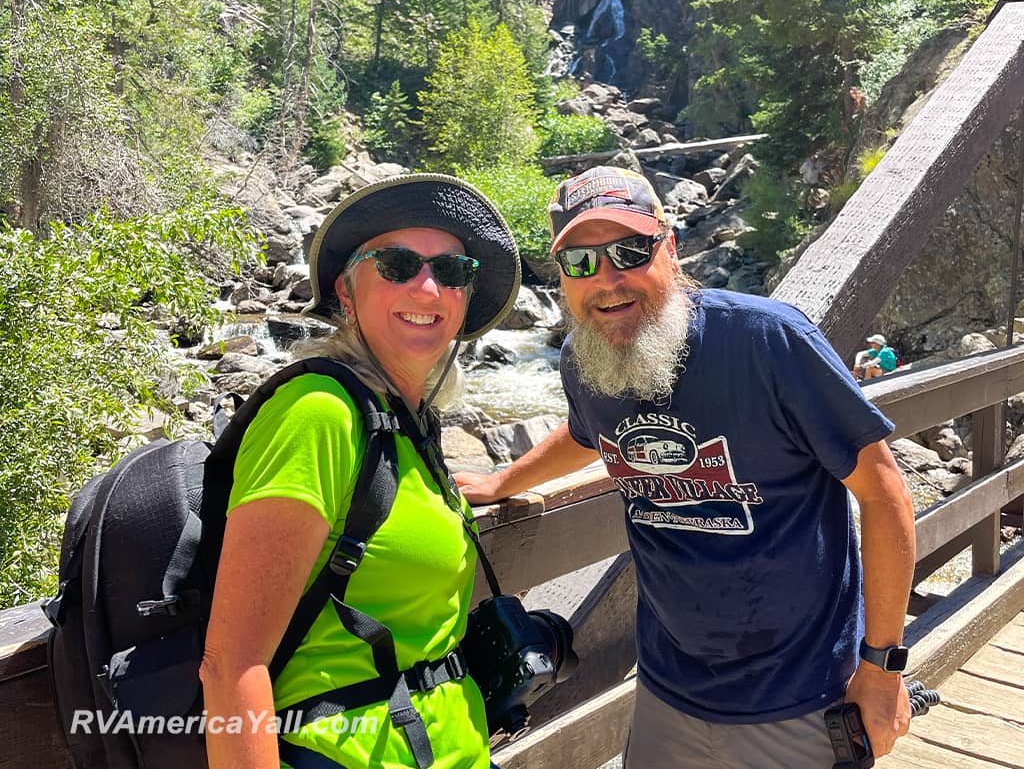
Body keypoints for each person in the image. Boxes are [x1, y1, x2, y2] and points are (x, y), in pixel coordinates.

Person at [456, 166, 916, 768]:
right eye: (581, 261)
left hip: (802, 696)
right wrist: (502, 481)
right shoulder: (586, 357)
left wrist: (881, 671)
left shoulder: (767, 341)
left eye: (628, 250)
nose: (608, 279)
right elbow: (588, 433)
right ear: (562, 278)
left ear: (669, 248)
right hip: (667, 691)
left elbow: (885, 497)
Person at [201, 173, 520, 769]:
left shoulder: (408, 421)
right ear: (347, 294)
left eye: (451, 272)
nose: (427, 288)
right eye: (398, 264)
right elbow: (230, 665)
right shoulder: (317, 414)